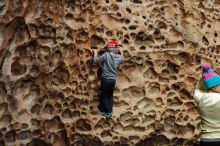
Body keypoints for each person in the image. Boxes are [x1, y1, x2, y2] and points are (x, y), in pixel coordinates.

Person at [91, 40, 124, 119]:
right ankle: (109, 111)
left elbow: (95, 61)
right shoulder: (119, 57)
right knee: (110, 95)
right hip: (113, 79)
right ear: (116, 49)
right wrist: (121, 52)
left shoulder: (106, 55)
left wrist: (95, 52)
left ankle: (107, 113)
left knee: (104, 95)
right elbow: (122, 59)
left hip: (105, 78)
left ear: (108, 48)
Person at [194, 64, 220, 146]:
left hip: (206, 140)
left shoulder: (200, 98)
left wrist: (204, 76)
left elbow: (197, 88)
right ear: (214, 87)